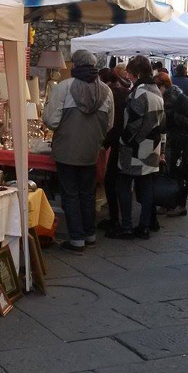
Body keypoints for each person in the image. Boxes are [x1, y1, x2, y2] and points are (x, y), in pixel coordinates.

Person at [43, 50, 114, 255]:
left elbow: (51, 120)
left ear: (75, 65)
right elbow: (109, 124)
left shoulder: (64, 87)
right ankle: (90, 235)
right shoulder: (106, 91)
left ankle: (76, 240)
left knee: (70, 194)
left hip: (66, 148)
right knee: (87, 193)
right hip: (91, 150)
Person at [107, 55, 165, 240]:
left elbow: (134, 123)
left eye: (130, 73)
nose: (128, 76)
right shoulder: (156, 91)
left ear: (138, 73)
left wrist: (123, 140)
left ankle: (126, 226)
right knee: (146, 186)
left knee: (123, 185)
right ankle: (144, 226)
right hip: (152, 146)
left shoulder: (140, 93)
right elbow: (161, 122)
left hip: (135, 148)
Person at [154, 73, 188, 216]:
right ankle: (167, 202)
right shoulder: (160, 99)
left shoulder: (182, 99)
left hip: (181, 142)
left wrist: (172, 116)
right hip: (167, 141)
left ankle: (180, 205)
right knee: (166, 173)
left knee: (180, 174)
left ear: (163, 86)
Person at [98, 67, 131, 234]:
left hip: (118, 142)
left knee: (112, 182)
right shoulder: (125, 92)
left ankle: (116, 220)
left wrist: (104, 142)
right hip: (126, 142)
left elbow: (112, 123)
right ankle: (120, 219)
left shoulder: (111, 94)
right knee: (121, 183)